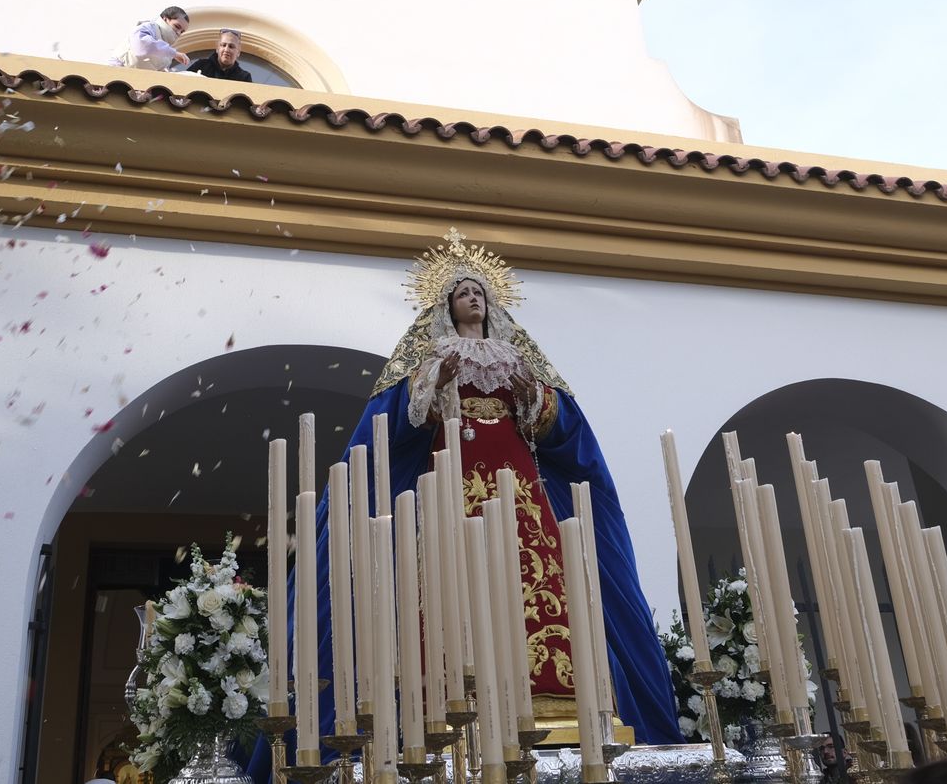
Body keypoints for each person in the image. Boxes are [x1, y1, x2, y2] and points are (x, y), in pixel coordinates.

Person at [248, 228, 682, 784]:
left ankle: (556, 701)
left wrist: (532, 395)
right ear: (445, 306)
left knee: (541, 575)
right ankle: (439, 706)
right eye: (461, 292)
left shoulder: (517, 354)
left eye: (479, 291)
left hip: (517, 481)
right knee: (441, 584)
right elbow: (395, 420)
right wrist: (437, 384)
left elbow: (562, 429)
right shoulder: (429, 354)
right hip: (450, 479)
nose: (472, 297)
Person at [114, 6, 190, 72]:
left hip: (136, 83)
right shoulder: (148, 27)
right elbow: (142, 46)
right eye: (177, 26)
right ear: (165, 19)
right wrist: (174, 53)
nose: (178, 33)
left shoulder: (166, 50)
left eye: (182, 32)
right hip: (116, 76)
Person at [186, 29, 253, 83]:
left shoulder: (244, 77)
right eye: (223, 45)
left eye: (231, 46)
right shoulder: (201, 65)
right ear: (217, 49)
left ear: (238, 52)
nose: (226, 49)